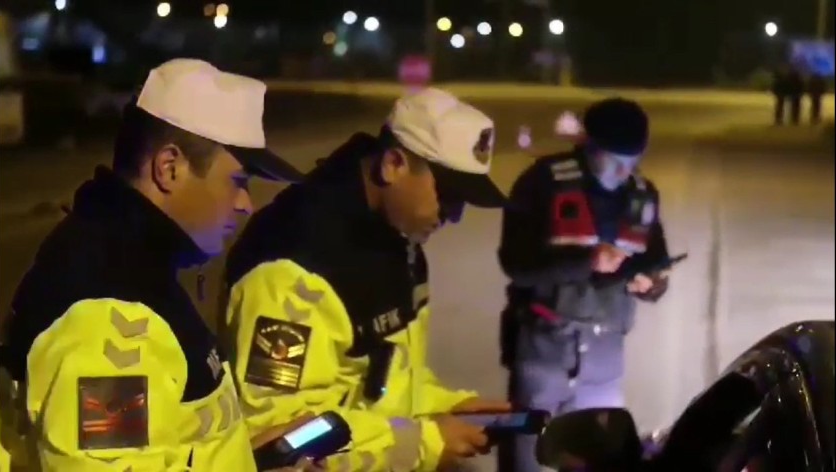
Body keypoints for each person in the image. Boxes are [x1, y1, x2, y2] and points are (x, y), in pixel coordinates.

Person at [0, 58, 318, 471]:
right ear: (169, 168)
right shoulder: (109, 314)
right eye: (238, 183)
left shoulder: (129, 262)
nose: (246, 205)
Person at [222, 87, 512, 471]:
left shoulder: (396, 240)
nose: (454, 215)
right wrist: (425, 441)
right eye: (448, 195)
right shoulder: (295, 267)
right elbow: (284, 440)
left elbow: (383, 385)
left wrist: (448, 407)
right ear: (393, 164)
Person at [496, 98, 672, 472]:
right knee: (527, 456)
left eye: (633, 162)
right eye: (615, 161)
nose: (624, 172)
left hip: (604, 359)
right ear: (589, 147)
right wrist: (587, 262)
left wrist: (652, 284)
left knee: (600, 461)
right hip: (544, 352)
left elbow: (655, 260)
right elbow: (516, 264)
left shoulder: (642, 195)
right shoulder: (542, 182)